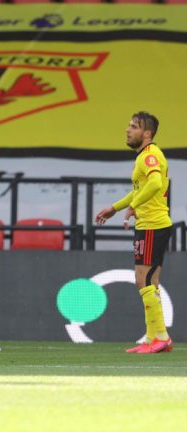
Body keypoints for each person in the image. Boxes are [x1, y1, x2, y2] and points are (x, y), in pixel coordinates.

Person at [95, 111, 173, 354]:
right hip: (152, 224)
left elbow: (155, 184)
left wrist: (133, 207)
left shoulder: (149, 156)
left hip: (152, 225)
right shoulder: (146, 155)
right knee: (149, 281)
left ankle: (161, 337)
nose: (128, 130)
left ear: (147, 133)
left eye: (134, 127)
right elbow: (140, 189)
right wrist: (115, 208)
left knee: (143, 280)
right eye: (129, 126)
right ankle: (153, 337)